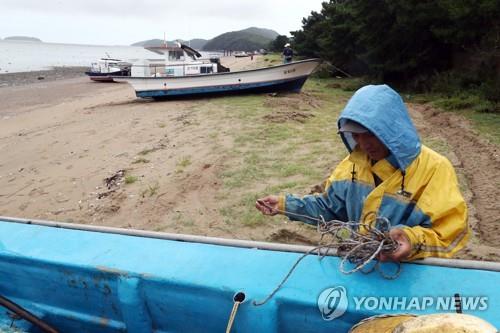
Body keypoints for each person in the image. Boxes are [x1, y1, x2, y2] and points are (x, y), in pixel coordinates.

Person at [256, 84, 470, 262]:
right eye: (355, 135)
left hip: (411, 271)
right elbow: (329, 208)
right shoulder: (350, 166)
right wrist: (285, 205)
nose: (363, 143)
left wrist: (411, 239)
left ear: (392, 129)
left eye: (370, 134)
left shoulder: (435, 168)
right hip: (361, 263)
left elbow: (450, 235)